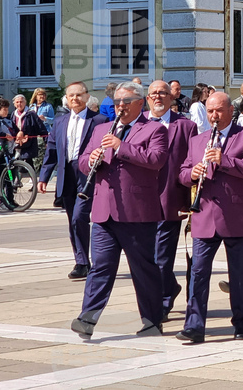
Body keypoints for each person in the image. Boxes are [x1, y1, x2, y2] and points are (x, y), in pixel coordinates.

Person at [70, 81, 169, 340]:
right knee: (101, 266)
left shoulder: (154, 129)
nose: (120, 107)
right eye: (116, 103)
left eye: (125, 102)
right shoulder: (102, 128)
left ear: (140, 103)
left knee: (143, 269)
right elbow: (82, 160)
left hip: (137, 212)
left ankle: (152, 321)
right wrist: (90, 160)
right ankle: (87, 318)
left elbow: (157, 160)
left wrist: (120, 147)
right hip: (104, 211)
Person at [177, 92, 243, 343]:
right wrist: (192, 173)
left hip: (237, 215)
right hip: (204, 215)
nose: (214, 116)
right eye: (210, 111)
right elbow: (182, 172)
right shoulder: (197, 140)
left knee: (240, 273)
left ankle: (241, 322)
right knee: (198, 272)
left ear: (230, 111)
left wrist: (224, 160)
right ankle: (194, 325)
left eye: (219, 111)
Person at [38, 83, 107, 279]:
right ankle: (82, 262)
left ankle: (88, 260)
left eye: (78, 95)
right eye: (71, 96)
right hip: (66, 174)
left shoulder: (99, 120)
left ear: (86, 97)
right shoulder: (60, 122)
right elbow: (51, 150)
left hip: (89, 174)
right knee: (73, 220)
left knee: (79, 216)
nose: (75, 99)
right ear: (66, 99)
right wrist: (44, 177)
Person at [144, 80, 198, 322]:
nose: (158, 97)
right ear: (147, 98)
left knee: (161, 256)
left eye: (163, 93)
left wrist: (190, 198)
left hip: (171, 198)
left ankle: (163, 301)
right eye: (153, 93)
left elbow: (190, 162)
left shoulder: (186, 127)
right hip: (141, 201)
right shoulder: (139, 124)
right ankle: (169, 288)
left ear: (171, 98)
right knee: (146, 256)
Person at [10, 93, 45, 165]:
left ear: (25, 103)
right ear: (14, 104)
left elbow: (40, 127)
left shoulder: (31, 114)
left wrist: (46, 139)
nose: (19, 104)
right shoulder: (13, 114)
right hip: (16, 143)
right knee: (16, 165)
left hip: (29, 144)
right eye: (17, 102)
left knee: (29, 166)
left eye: (21, 102)